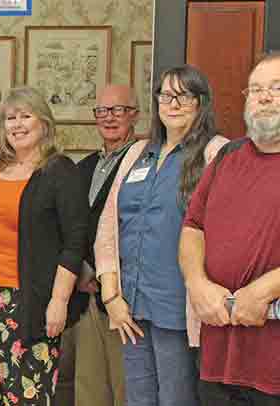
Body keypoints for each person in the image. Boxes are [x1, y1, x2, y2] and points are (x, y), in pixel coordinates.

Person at [94, 65, 230, 406]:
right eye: (166, 95)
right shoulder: (137, 153)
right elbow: (109, 226)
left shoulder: (217, 153)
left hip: (179, 310)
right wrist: (112, 296)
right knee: (138, 399)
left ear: (201, 103)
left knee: (176, 399)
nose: (173, 103)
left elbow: (230, 231)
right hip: (130, 308)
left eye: (184, 95)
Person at [0, 87, 88, 405]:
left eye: (25, 116)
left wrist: (59, 300)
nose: (17, 124)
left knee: (26, 396)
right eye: (10, 118)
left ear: (43, 123)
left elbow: (75, 241)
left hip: (32, 304)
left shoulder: (59, 171)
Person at [180, 52, 280, 406]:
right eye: (256, 89)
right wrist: (197, 283)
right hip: (219, 357)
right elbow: (193, 227)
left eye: (276, 88)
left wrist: (266, 288)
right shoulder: (225, 157)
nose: (264, 97)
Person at [64, 84, 139, 406]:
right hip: (86, 294)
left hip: (126, 295)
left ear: (134, 115)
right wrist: (80, 271)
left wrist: (109, 277)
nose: (109, 118)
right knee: (90, 388)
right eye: (102, 111)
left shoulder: (144, 163)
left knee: (128, 387)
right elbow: (70, 226)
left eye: (118, 110)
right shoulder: (83, 168)